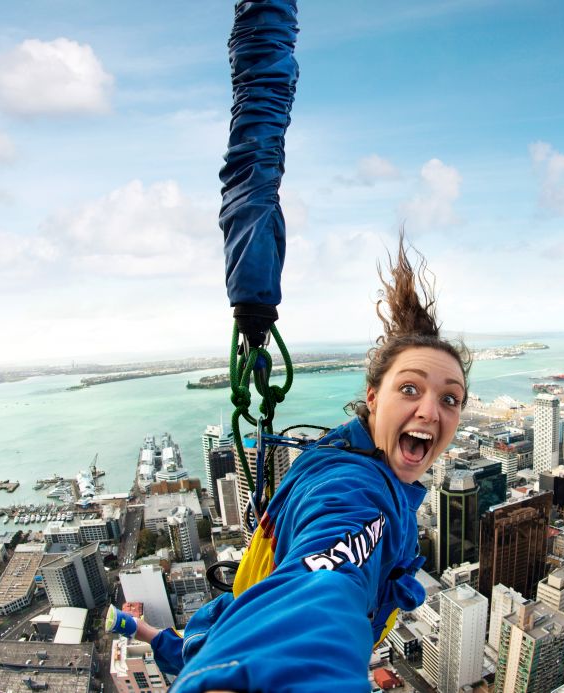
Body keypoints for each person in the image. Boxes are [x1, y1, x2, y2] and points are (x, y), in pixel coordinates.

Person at [105, 239, 471, 691]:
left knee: (187, 646)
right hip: (247, 641)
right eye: (411, 389)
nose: (432, 412)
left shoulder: (343, 450)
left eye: (450, 398)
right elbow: (320, 594)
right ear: (373, 399)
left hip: (223, 627)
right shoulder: (360, 495)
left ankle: (134, 628)